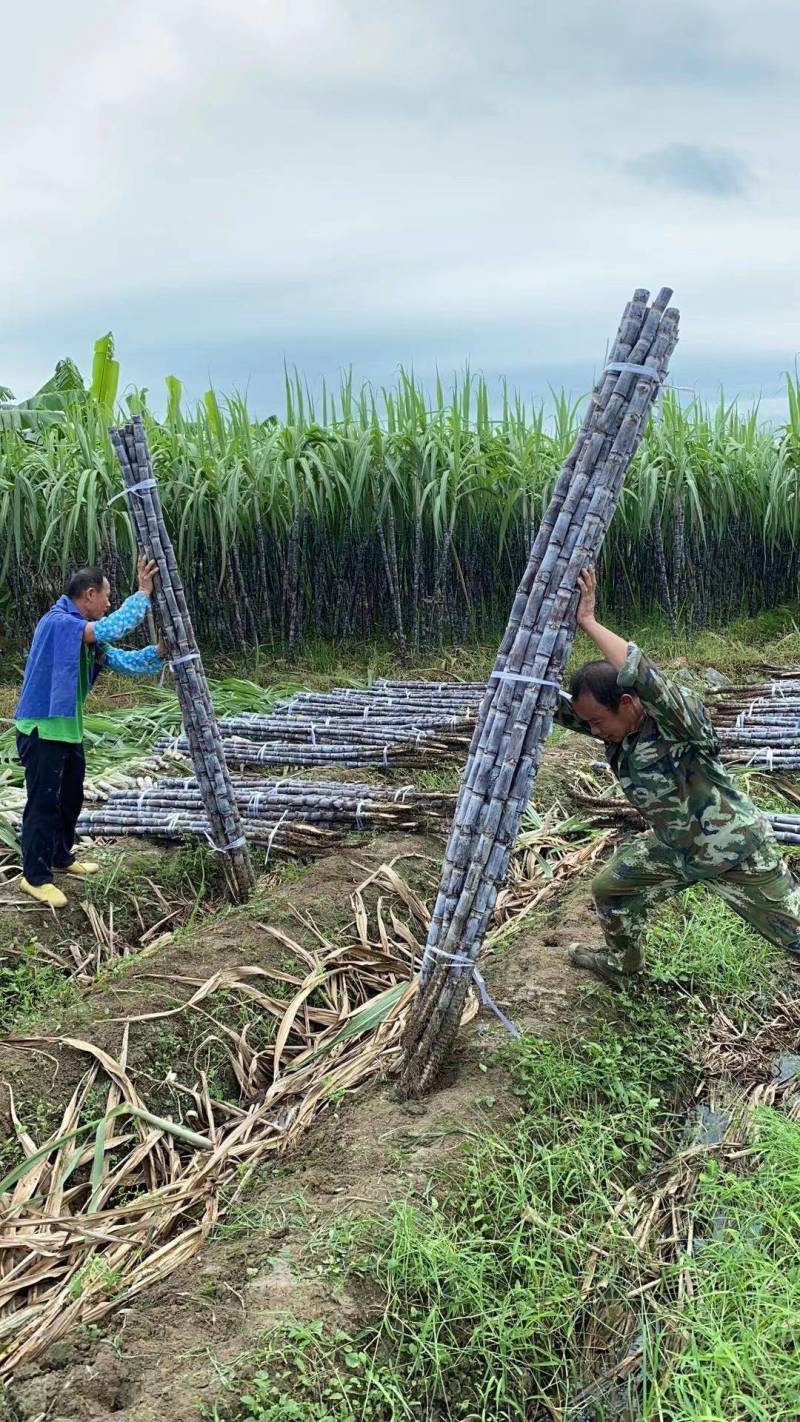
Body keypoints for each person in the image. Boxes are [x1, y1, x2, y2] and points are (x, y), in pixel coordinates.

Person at [555, 567, 800, 987]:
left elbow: (649, 679)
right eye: (588, 725)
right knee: (610, 890)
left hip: (733, 850)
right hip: (674, 847)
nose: (593, 733)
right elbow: (547, 702)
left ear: (629, 703)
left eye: (597, 723)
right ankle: (623, 966)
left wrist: (588, 622)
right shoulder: (619, 734)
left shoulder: (681, 724)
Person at [14, 558, 166, 908]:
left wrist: (160, 653)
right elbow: (110, 629)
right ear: (90, 593)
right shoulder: (59, 623)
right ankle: (34, 877)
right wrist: (143, 594)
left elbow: (124, 661)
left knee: (70, 799)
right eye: (107, 597)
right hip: (42, 730)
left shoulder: (83, 632)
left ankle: (60, 857)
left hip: (67, 731)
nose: (109, 604)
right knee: (43, 803)